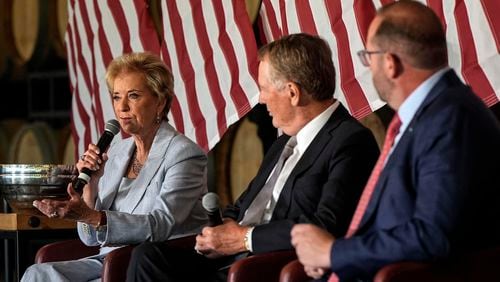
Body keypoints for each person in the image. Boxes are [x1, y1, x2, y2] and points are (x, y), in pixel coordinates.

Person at [126, 33, 379, 282]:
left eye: (264, 88)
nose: (261, 98)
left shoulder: (350, 141)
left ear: (292, 93)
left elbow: (326, 225)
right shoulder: (283, 143)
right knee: (147, 257)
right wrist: (222, 229)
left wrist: (244, 238)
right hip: (229, 260)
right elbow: (244, 205)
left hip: (269, 267)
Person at [291, 1, 500, 281]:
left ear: (390, 63)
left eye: (368, 57)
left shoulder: (451, 119)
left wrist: (334, 252)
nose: (369, 67)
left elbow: (432, 236)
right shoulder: (427, 115)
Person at [22, 52, 208, 281]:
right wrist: (92, 185)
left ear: (160, 102)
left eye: (133, 96)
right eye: (117, 97)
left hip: (151, 265)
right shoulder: (118, 152)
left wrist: (92, 216)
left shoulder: (184, 155)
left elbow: (160, 225)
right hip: (107, 260)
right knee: (38, 273)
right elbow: (90, 239)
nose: (122, 107)